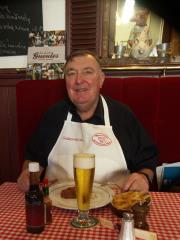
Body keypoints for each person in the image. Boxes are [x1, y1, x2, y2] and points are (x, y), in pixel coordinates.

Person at [17, 50, 158, 193]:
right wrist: (28, 174)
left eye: (88, 72)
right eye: (71, 73)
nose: (78, 80)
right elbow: (34, 159)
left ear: (101, 79)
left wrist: (143, 177)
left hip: (113, 208)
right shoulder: (53, 116)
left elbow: (147, 162)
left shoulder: (122, 116)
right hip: (56, 207)